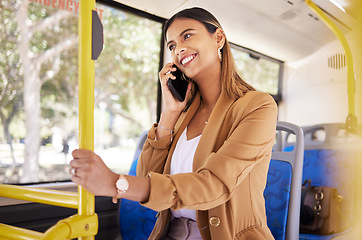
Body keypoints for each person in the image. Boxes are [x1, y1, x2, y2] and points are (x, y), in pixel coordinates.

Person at [70, 7, 277, 240]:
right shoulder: (184, 111)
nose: (178, 49)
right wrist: (169, 113)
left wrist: (115, 184)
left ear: (218, 38)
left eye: (187, 36)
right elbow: (149, 176)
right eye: (171, 46)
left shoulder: (258, 106)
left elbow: (215, 184)